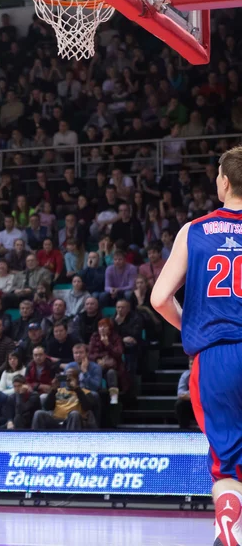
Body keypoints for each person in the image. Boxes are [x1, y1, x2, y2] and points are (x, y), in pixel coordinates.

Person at [150, 146, 242, 546]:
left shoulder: (196, 230)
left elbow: (158, 298)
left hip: (216, 354)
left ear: (223, 182)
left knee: (227, 464)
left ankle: (229, 529)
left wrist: (193, 329)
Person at [31, 368, 96, 430]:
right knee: (38, 413)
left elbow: (88, 407)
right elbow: (47, 407)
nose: (68, 378)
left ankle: (72, 440)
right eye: (66, 376)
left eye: (71, 377)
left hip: (73, 420)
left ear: (77, 378)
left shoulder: (85, 392)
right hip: (56, 420)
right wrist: (53, 390)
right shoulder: (58, 390)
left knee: (74, 414)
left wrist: (77, 389)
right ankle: (36, 439)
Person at [175, 357, 195, 429]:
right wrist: (196, 395)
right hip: (192, 404)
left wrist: (190, 394)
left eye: (195, 364)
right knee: (180, 404)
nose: (192, 366)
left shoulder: (207, 375)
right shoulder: (186, 375)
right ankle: (184, 430)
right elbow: (180, 393)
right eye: (191, 364)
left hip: (204, 404)